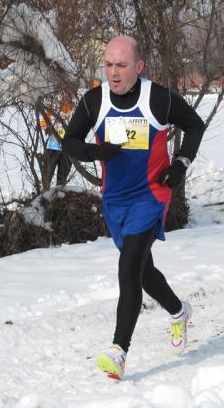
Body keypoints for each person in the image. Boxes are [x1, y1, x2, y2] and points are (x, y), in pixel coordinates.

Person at [63, 36, 205, 379]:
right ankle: (178, 311)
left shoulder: (158, 98)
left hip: (151, 195)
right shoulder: (94, 101)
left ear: (138, 67)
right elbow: (70, 142)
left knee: (128, 270)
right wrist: (96, 153)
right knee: (143, 272)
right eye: (109, 65)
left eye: (121, 65)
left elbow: (194, 125)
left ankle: (118, 350)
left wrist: (181, 163)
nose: (113, 73)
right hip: (115, 200)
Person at [40, 97, 73, 187]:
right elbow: (43, 124)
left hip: (67, 149)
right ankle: (44, 197)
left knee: (62, 180)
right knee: (46, 179)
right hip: (52, 147)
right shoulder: (52, 108)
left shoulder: (74, 109)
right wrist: (49, 127)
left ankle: (58, 197)